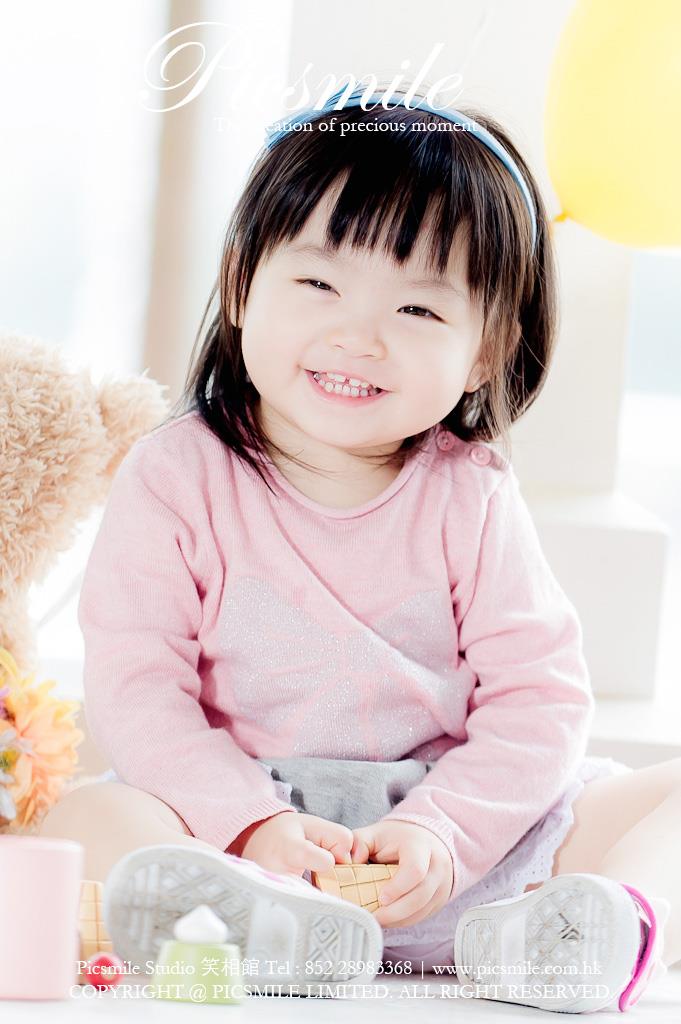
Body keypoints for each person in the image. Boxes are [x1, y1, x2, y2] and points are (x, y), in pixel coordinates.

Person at [40, 83, 679, 1011]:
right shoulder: (173, 475)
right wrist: (247, 823)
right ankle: (258, 926)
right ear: (240, 285)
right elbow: (139, 691)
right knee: (84, 820)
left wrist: (443, 833)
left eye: (418, 311)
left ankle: (569, 934)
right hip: (239, 836)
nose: (358, 336)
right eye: (319, 284)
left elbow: (538, 701)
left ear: (488, 350)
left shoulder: (470, 496)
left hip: (460, 854)